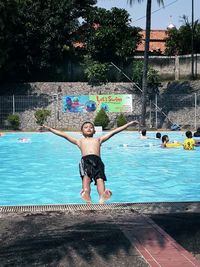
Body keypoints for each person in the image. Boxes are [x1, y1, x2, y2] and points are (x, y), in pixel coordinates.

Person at [41, 120, 139, 204]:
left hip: (98, 161)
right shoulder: (79, 141)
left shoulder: (99, 139)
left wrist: (128, 124)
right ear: (81, 131)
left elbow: (114, 132)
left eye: (91, 127)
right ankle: (86, 193)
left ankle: (102, 196)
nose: (89, 128)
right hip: (85, 161)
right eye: (86, 127)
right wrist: (49, 129)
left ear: (94, 130)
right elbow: (64, 135)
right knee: (86, 179)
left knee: (100, 179)